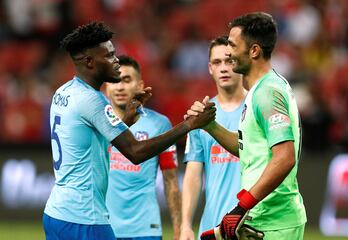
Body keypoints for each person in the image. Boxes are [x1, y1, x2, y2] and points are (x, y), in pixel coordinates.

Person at [43, 21, 215, 240]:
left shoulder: (63, 92)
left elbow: (89, 145)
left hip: (56, 213)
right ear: (89, 62)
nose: (116, 61)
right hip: (85, 218)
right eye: (109, 56)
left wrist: (125, 121)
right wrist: (189, 125)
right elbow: (135, 152)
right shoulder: (93, 100)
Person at [187, 12, 307, 240]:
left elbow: (285, 157)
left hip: (274, 223)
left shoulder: (267, 93)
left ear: (254, 51)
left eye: (232, 45)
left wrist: (242, 206)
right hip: (265, 220)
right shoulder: (261, 90)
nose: (228, 52)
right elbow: (248, 148)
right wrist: (210, 126)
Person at [105, 55, 181, 240]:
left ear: (140, 86)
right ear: (106, 87)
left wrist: (179, 230)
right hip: (103, 226)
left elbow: (171, 181)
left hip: (146, 229)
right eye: (115, 81)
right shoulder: (96, 121)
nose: (120, 87)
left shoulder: (160, 124)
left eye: (127, 80)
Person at [180, 36, 246, 240]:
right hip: (212, 227)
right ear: (210, 68)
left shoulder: (257, 108)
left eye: (229, 61)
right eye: (217, 63)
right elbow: (193, 174)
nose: (223, 68)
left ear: (240, 63)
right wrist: (185, 225)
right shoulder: (200, 116)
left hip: (249, 226)